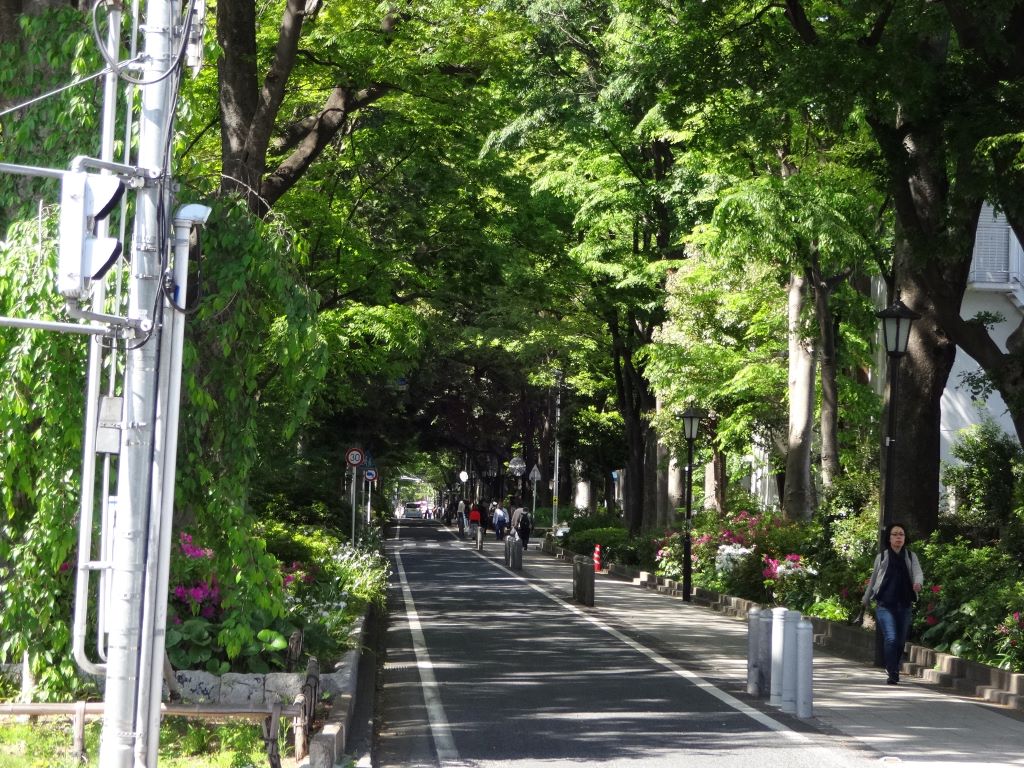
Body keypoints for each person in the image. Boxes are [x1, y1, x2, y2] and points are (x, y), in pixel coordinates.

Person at [861, 521, 924, 685]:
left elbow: (918, 573)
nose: (898, 537)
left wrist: (918, 583)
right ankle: (893, 671)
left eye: (901, 534)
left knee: (901, 641)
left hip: (904, 604)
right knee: (891, 638)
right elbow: (873, 580)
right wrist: (865, 599)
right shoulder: (881, 557)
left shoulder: (910, 556)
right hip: (885, 604)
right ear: (889, 538)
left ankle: (893, 666)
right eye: (895, 534)